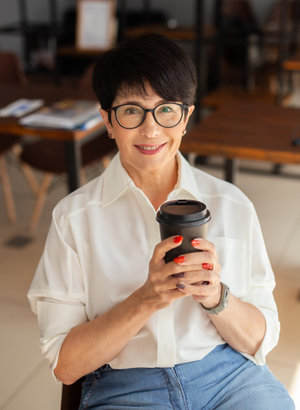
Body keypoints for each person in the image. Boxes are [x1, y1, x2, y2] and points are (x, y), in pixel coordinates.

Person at [27, 33, 294, 409]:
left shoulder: (232, 204)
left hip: (230, 378)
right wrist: (145, 299)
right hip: (126, 385)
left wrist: (216, 296)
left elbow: (262, 340)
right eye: (132, 111)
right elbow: (66, 366)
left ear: (186, 117)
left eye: (167, 109)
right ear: (107, 120)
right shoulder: (74, 218)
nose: (151, 130)